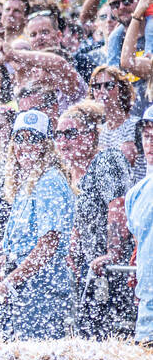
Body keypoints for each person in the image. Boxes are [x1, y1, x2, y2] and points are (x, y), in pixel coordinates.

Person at [0, 110, 76, 339]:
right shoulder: (29, 182)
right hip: (26, 286)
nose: (26, 146)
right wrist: (1, 277)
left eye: (34, 139)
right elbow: (19, 244)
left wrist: (8, 284)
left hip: (42, 289)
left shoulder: (49, 181)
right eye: (20, 139)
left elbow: (46, 247)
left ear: (46, 145)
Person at [57, 101, 133, 336]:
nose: (63, 141)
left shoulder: (106, 160)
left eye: (70, 133)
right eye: (58, 135)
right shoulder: (72, 173)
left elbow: (117, 206)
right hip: (94, 269)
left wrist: (113, 252)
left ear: (91, 136)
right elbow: (82, 219)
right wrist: (73, 245)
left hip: (118, 266)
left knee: (119, 333)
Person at [125, 109, 153, 341]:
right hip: (147, 311)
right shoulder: (135, 194)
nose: (150, 143)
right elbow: (140, 242)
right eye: (146, 135)